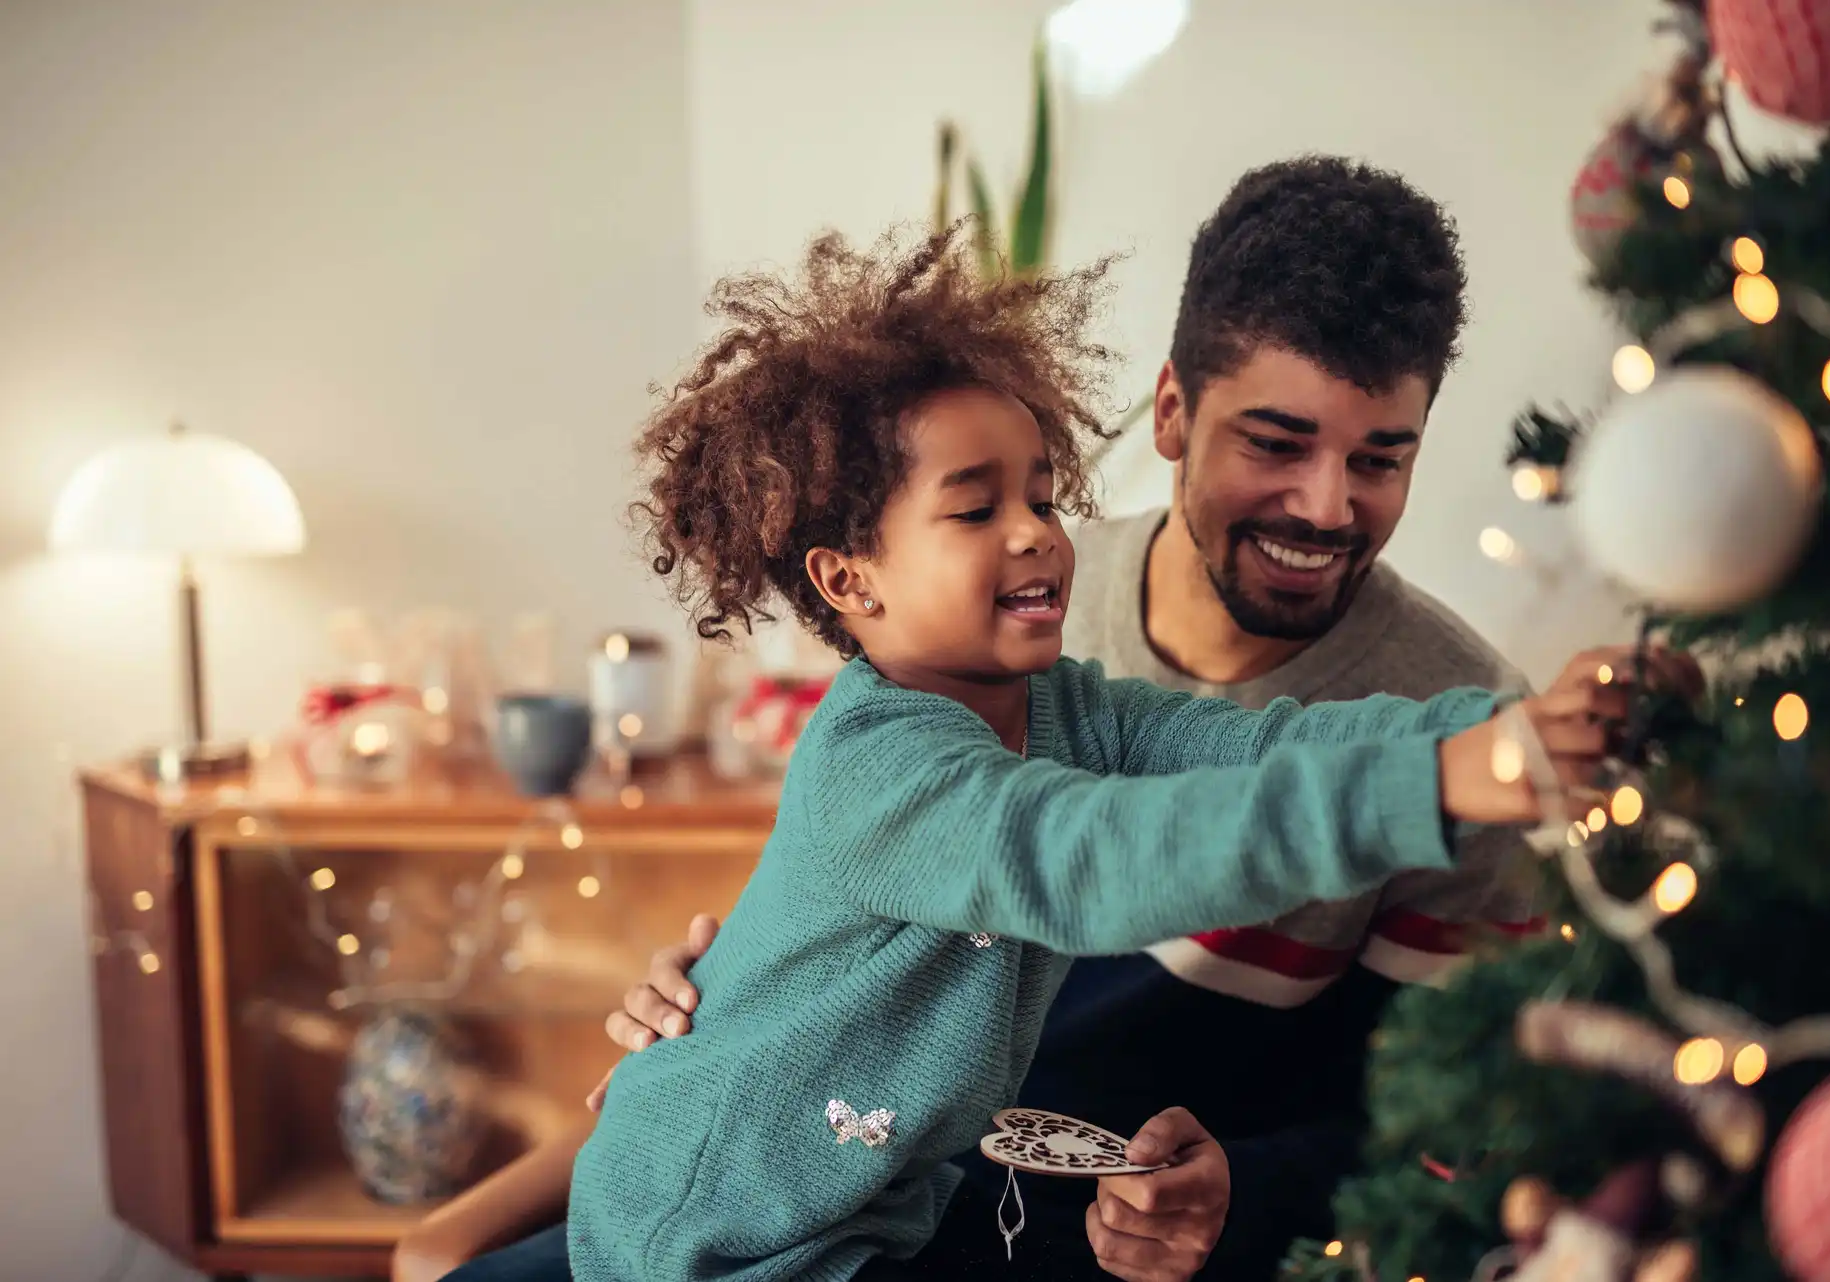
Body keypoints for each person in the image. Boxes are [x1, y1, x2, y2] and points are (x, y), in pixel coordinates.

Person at [448, 217, 1672, 1282]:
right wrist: (1442, 779)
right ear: (849, 579)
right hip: (713, 1246)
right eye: (979, 509)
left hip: (906, 1210)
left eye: (1042, 492)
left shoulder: (1066, 697)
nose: (1036, 534)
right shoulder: (884, 755)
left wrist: (1495, 736)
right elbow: (1087, 855)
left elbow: (1259, 752)